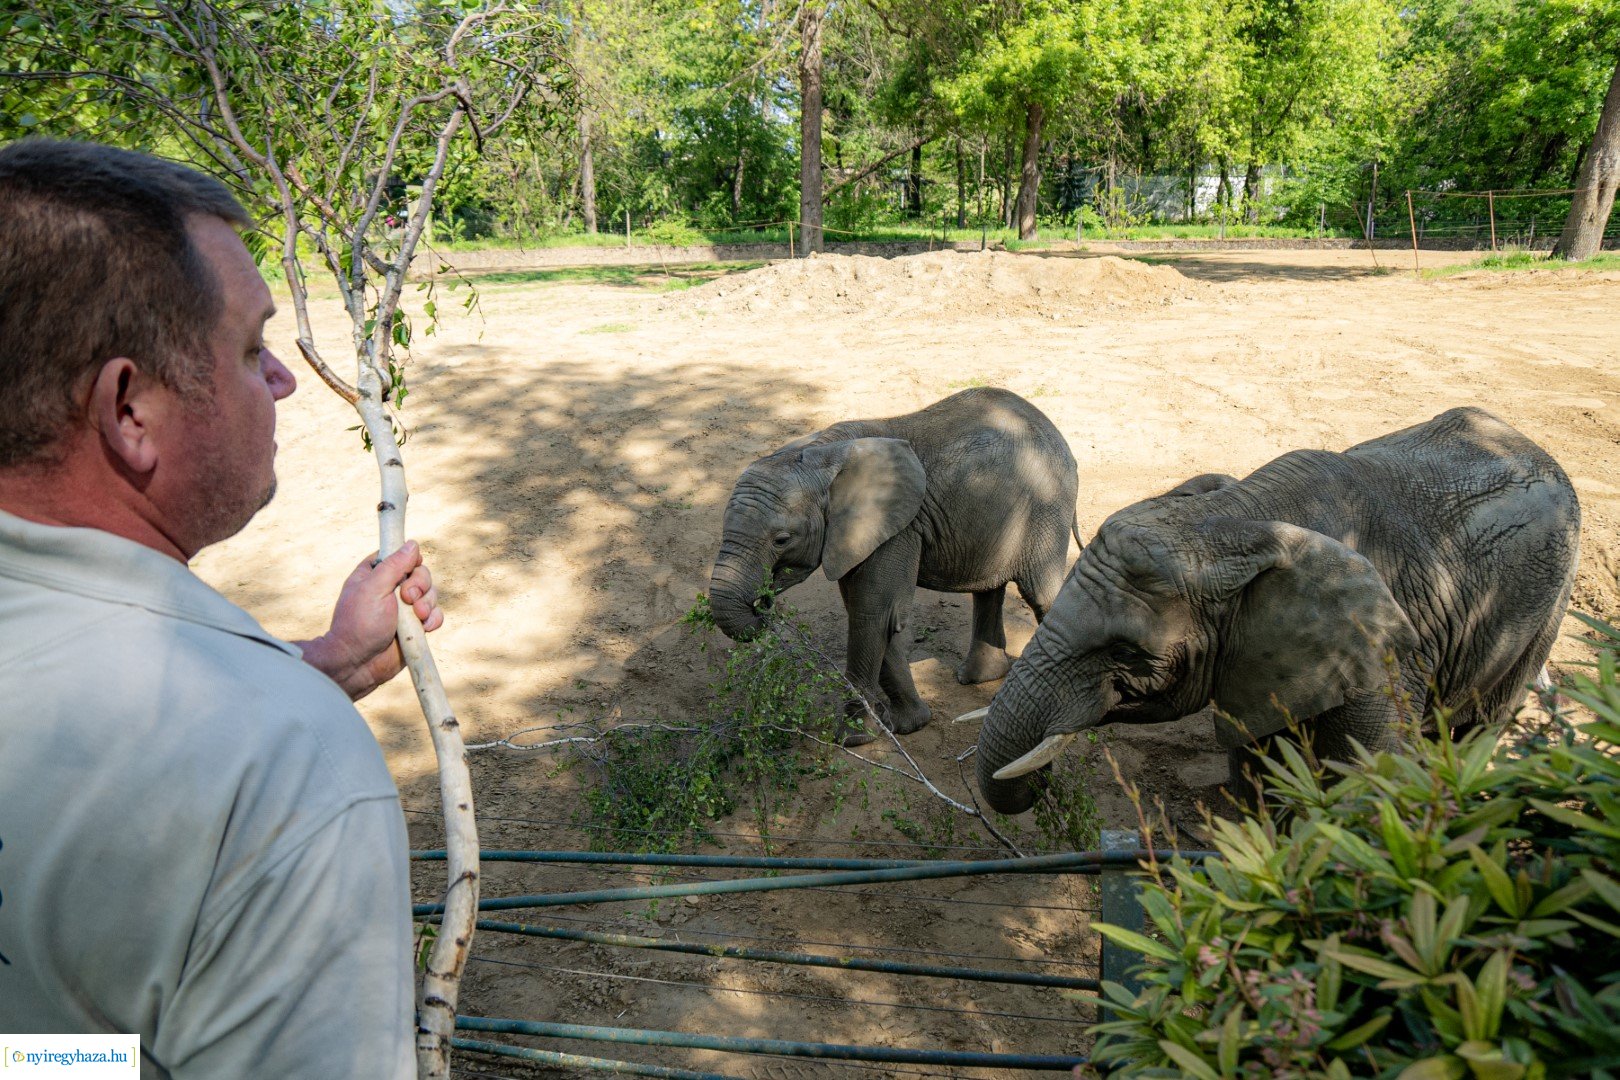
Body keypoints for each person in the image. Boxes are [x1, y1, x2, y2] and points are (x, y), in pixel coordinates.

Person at [0, 139, 439, 1076]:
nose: (281, 380)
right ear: (129, 411)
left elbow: (36, 1051)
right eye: (249, 348)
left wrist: (326, 663)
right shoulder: (284, 771)